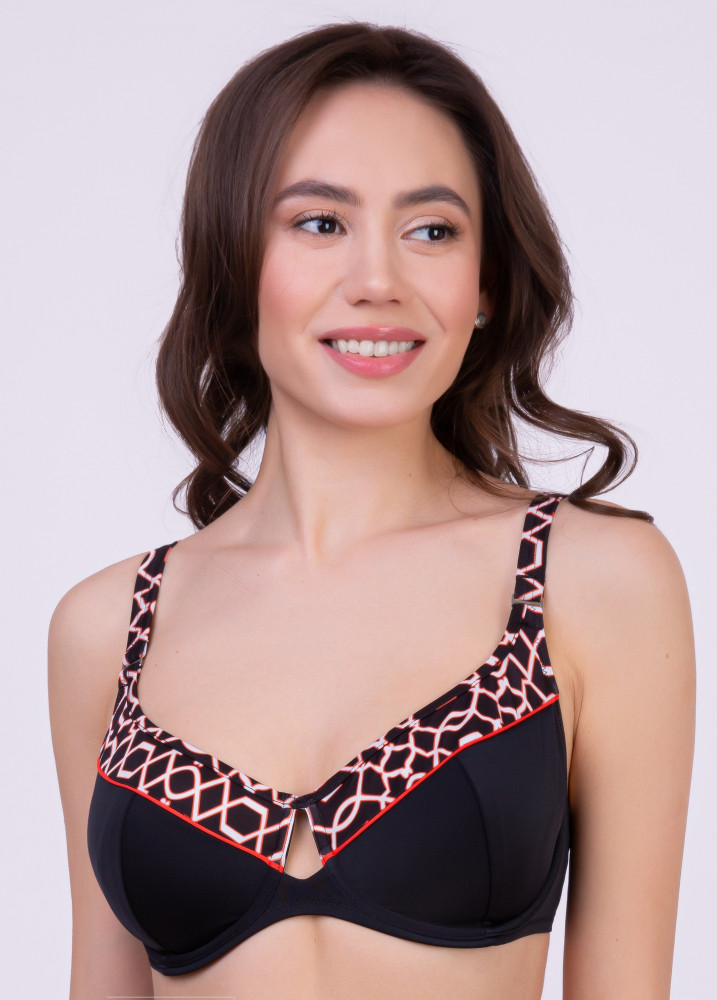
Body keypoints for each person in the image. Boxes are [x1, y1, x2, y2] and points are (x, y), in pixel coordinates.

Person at [48, 22, 695, 1000]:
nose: (379, 282)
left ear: (485, 283)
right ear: (233, 259)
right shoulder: (109, 628)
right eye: (320, 223)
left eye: (431, 230)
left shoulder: (588, 581)